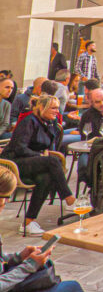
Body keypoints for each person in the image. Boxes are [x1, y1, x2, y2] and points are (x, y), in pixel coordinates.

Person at [1, 94, 77, 234]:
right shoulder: (29, 121)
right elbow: (19, 147)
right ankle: (69, 198)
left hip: (32, 162)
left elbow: (49, 146)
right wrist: (40, 157)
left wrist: (43, 159)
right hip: (14, 163)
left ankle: (28, 222)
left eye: (57, 108)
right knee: (52, 161)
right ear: (42, 107)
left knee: (47, 177)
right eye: (53, 108)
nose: (57, 111)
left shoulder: (50, 123)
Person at [0, 75, 14, 141]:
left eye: (12, 88)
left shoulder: (7, 104)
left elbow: (5, 124)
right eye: (7, 87)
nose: (10, 90)